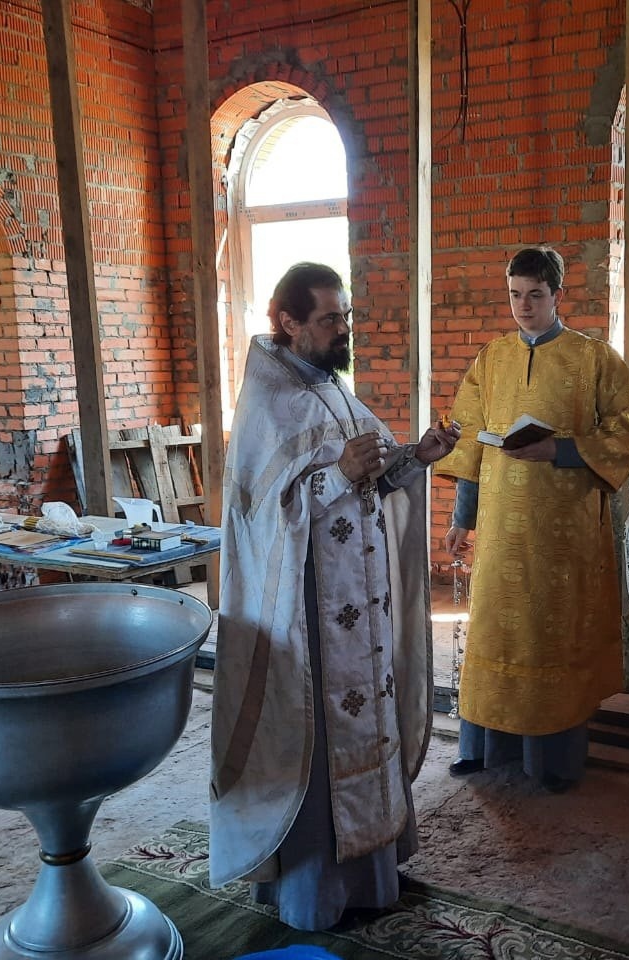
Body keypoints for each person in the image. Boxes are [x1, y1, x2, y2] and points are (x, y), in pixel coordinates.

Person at [208, 262, 460, 931]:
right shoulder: (268, 402)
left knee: (364, 733)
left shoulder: (331, 387)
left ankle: (370, 878)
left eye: (345, 315)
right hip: (308, 615)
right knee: (316, 751)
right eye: (329, 319)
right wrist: (337, 476)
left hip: (360, 615)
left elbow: (369, 475)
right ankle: (314, 891)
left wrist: (417, 454)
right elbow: (264, 516)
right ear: (288, 322)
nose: (342, 329)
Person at [434, 246, 629, 792]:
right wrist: (463, 517)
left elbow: (626, 433)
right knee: (494, 634)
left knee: (548, 639)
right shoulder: (491, 359)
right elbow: (471, 442)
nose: (522, 306)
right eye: (514, 295)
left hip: (564, 531)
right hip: (502, 527)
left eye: (534, 295)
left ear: (558, 295)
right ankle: (482, 749)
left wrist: (558, 451)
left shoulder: (596, 359)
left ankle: (549, 762)